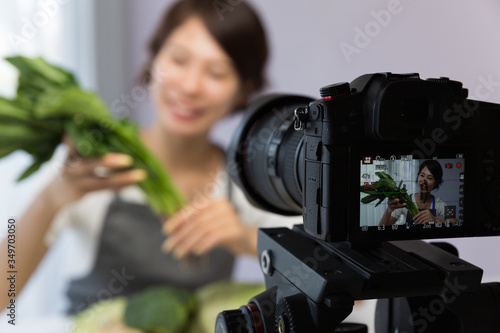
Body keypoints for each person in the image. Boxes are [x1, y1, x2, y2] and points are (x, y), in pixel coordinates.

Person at [0, 0, 300, 314]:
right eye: (178, 60)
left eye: (216, 72)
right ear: (154, 60)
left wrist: (245, 239)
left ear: (242, 90)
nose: (190, 86)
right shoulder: (93, 167)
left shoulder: (249, 180)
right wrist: (50, 199)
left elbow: (337, 280)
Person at [379, 160, 458, 226]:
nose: (424, 181)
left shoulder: (439, 203)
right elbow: (382, 227)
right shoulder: (404, 201)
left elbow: (456, 223)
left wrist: (436, 219)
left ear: (436, 183)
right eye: (422, 175)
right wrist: (389, 210)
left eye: (429, 178)